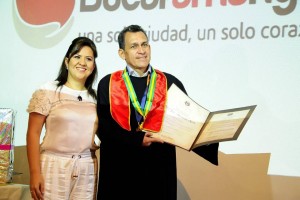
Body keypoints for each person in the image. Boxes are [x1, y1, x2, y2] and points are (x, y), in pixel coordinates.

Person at [96, 25, 219, 200]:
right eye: (134, 46)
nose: (141, 51)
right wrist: (137, 139)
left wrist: (215, 131)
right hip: (121, 171)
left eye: (144, 44)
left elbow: (189, 122)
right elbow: (104, 129)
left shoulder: (170, 82)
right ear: (122, 53)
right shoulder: (108, 83)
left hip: (158, 171)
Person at [26, 37, 100, 200]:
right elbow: (33, 133)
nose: (83, 62)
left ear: (93, 66)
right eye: (77, 56)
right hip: (53, 166)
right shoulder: (48, 90)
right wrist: (35, 173)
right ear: (67, 62)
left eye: (89, 59)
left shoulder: (96, 98)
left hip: (87, 168)